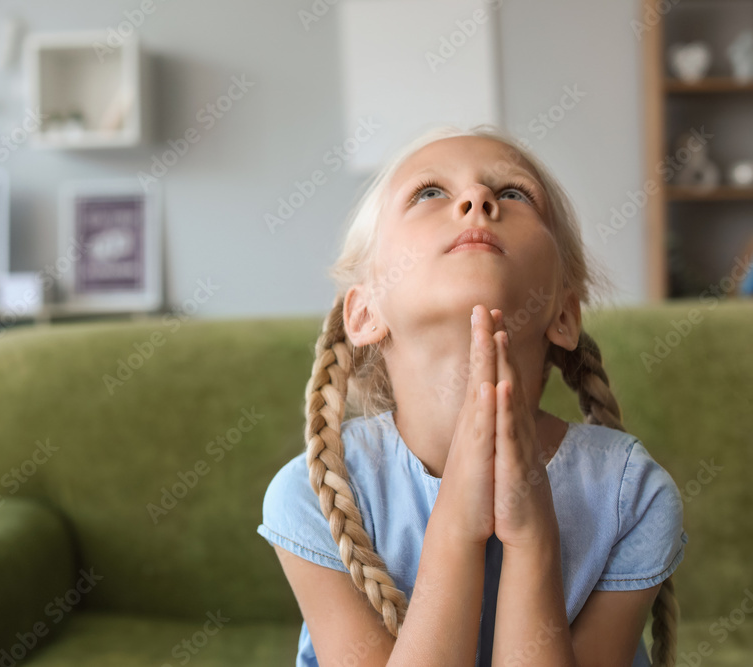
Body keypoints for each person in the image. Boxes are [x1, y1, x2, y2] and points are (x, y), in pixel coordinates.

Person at [256, 124, 688, 667]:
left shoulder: (632, 496)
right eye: (429, 192)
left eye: (513, 194)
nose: (477, 199)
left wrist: (532, 537)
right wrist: (459, 521)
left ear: (564, 314)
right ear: (364, 312)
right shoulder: (314, 496)